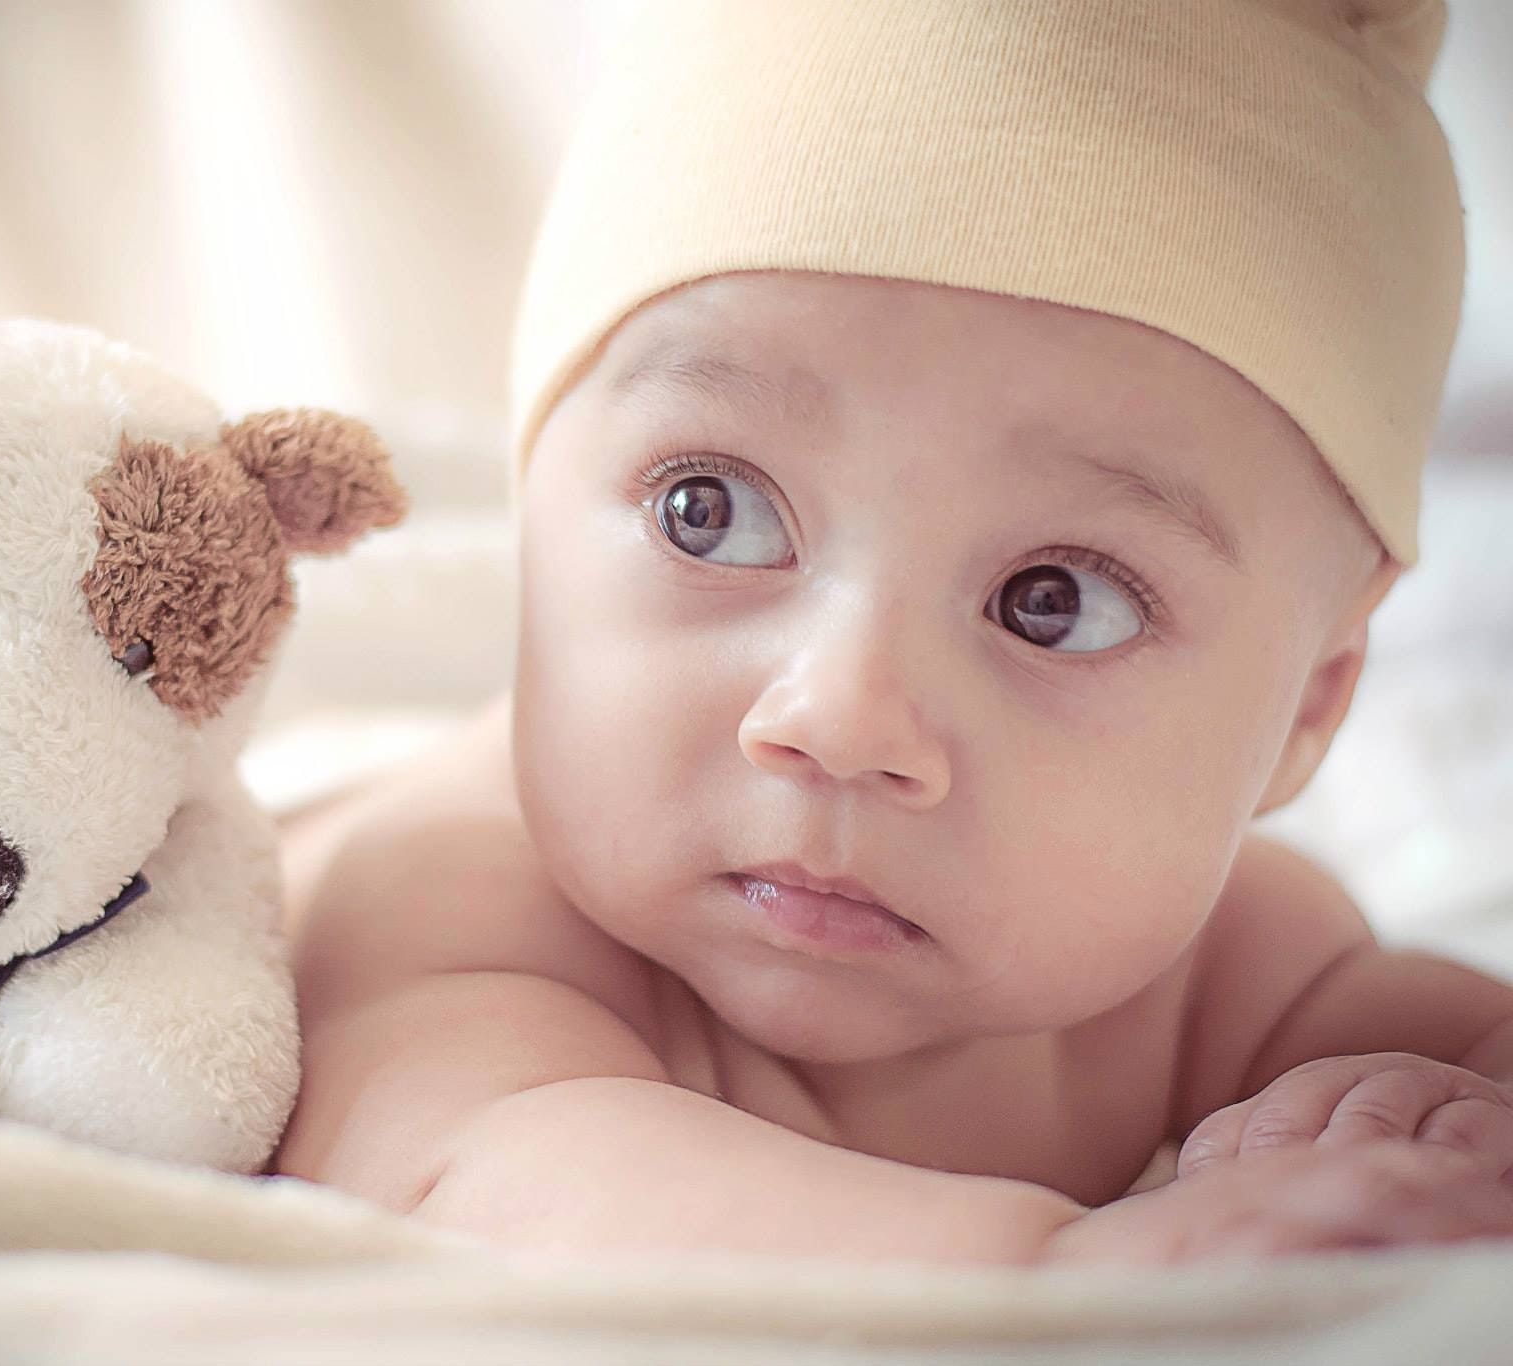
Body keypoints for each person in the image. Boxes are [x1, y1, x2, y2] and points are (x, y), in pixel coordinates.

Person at [274, 0, 1513, 1264]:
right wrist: (1058, 1269)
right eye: (708, 514)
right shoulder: (449, 894)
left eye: (1054, 602)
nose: (841, 718)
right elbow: (486, 1162)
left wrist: (1439, 1117)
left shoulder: (1222, 965)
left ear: (1309, 702)